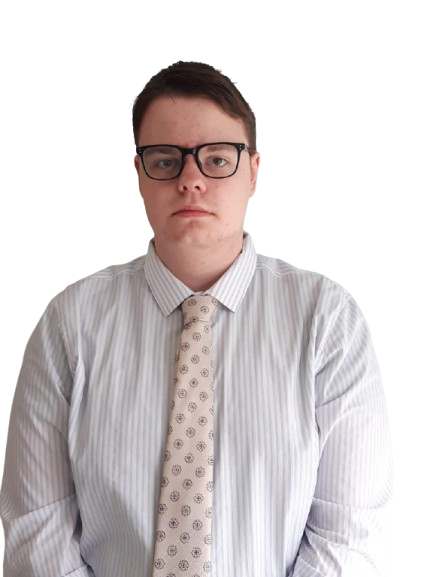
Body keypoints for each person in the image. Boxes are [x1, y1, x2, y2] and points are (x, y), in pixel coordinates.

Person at [0, 61, 394, 577]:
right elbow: (37, 529)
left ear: (253, 171)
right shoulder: (68, 323)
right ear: (139, 173)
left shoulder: (327, 319)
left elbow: (351, 535)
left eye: (217, 159)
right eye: (166, 160)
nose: (191, 180)